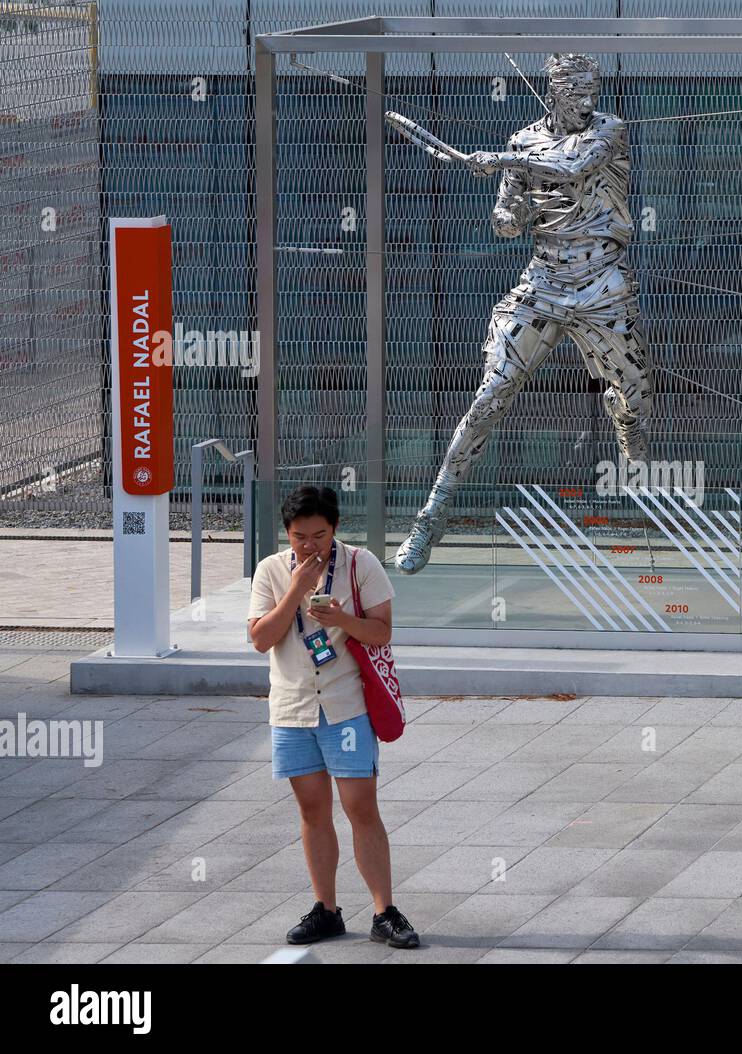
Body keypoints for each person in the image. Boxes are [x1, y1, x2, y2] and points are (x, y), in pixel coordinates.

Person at [393, 52, 654, 574]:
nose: (587, 101)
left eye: (592, 90)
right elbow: (505, 224)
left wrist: (499, 160)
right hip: (543, 282)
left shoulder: (609, 130)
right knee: (490, 397)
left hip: (602, 281)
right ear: (554, 92)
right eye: (576, 92)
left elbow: (574, 166)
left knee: (637, 391)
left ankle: (625, 418)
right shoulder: (523, 141)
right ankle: (431, 516)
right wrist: (514, 211)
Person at [247, 484, 419, 949]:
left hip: (346, 706)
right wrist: (296, 591)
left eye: (319, 536)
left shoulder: (362, 565)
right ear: (287, 533)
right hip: (292, 707)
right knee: (312, 810)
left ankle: (385, 911)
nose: (310, 546)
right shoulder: (270, 571)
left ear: (335, 529)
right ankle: (326, 909)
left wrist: (341, 620)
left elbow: (381, 633)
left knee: (361, 807)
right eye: (300, 536)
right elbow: (261, 638)